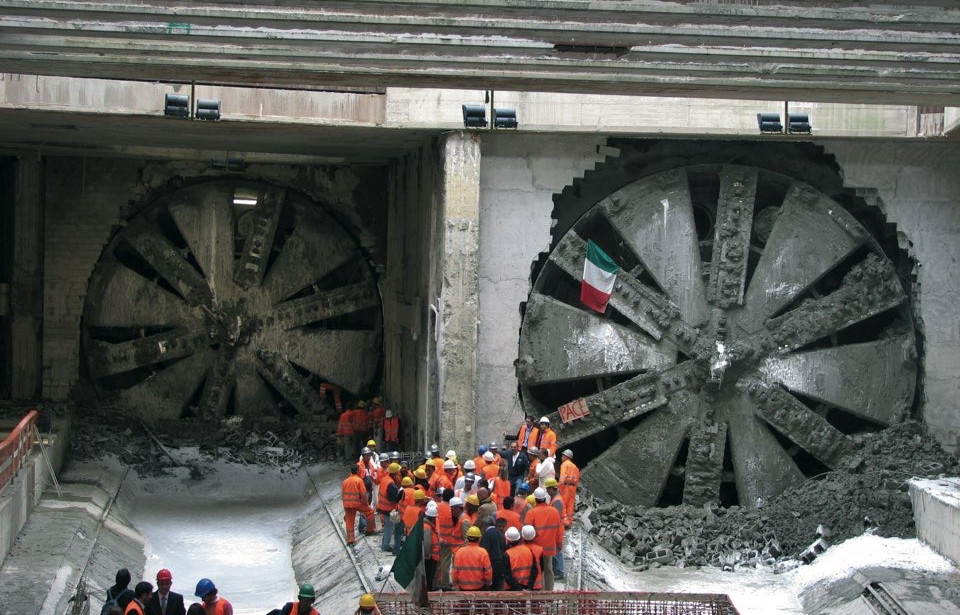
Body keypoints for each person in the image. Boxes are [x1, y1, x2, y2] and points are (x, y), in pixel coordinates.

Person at [526, 487, 562, 590]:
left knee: (537, 570)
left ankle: (539, 591)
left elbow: (528, 532)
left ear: (535, 499)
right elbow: (559, 531)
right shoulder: (554, 512)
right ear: (545, 499)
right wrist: (559, 544)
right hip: (549, 547)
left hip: (535, 548)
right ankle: (549, 591)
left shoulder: (531, 513)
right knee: (548, 569)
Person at [342, 464, 377, 545]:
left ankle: (350, 540)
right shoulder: (359, 480)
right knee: (370, 512)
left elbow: (343, 494)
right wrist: (366, 504)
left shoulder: (345, 481)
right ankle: (370, 530)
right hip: (357, 503)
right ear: (358, 471)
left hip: (347, 504)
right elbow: (364, 495)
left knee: (349, 521)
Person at [451, 526, 492, 591]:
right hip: (479, 587)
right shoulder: (483, 552)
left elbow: (455, 571)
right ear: (479, 538)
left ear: (467, 537)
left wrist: (456, 584)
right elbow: (488, 571)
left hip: (463, 587)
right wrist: (488, 583)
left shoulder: (459, 552)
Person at [376, 462, 404, 553]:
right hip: (388, 508)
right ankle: (385, 546)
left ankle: (385, 544)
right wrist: (400, 494)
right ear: (395, 473)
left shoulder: (385, 479)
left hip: (383, 507)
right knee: (389, 527)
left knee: (388, 526)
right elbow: (392, 498)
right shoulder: (391, 483)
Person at [478, 515, 509, 590]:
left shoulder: (487, 534)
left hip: (491, 565)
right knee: (497, 590)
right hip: (501, 565)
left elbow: (484, 552)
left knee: (488, 589)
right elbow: (504, 549)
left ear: (484, 525)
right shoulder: (501, 534)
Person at [544, 478, 566, 580]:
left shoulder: (557, 501)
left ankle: (560, 571)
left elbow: (555, 516)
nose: (547, 491)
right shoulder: (555, 498)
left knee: (557, 549)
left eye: (548, 489)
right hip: (556, 527)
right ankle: (558, 570)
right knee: (555, 548)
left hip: (557, 528)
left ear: (552, 488)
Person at [504, 526, 538, 591]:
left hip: (512, 589)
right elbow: (534, 570)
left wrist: (520, 589)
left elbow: (508, 576)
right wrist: (529, 588)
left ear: (507, 540)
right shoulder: (528, 550)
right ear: (519, 538)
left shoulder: (507, 554)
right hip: (527, 587)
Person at [558, 449, 580, 528]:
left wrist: (559, 488)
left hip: (566, 486)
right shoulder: (575, 467)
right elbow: (577, 478)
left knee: (563, 503)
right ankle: (569, 521)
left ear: (565, 457)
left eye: (562, 456)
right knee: (570, 505)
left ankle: (564, 521)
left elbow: (562, 477)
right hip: (573, 488)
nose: (561, 457)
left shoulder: (564, 464)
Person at [423, 502, 441, 591]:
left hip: (430, 557)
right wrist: (428, 556)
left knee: (428, 578)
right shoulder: (427, 527)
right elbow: (427, 544)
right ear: (433, 518)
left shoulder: (427, 525)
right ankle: (428, 595)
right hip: (430, 558)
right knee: (429, 578)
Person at [521, 525, 544, 590]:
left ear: (523, 536)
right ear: (534, 536)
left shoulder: (520, 549)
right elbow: (542, 567)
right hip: (536, 584)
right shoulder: (539, 549)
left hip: (523, 582)